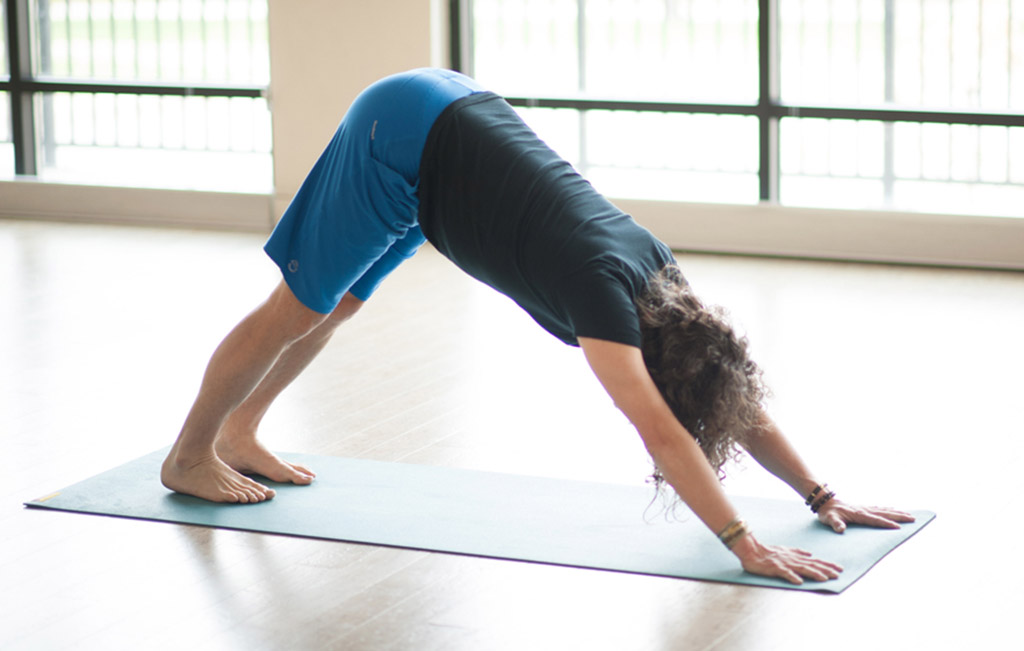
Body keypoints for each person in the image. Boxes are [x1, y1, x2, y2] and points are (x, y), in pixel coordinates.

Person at [161, 68, 915, 585]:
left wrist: (822, 495)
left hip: (447, 129)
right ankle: (190, 454)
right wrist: (741, 542)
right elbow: (661, 431)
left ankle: (241, 430)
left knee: (342, 298)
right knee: (300, 302)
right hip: (403, 134)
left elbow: (731, 400)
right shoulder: (607, 307)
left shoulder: (670, 292)